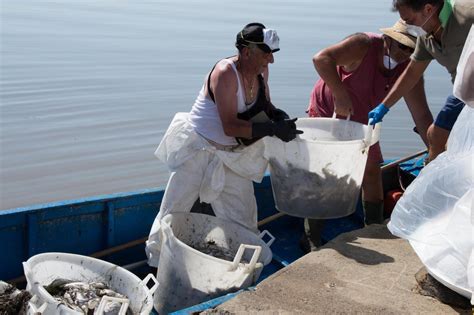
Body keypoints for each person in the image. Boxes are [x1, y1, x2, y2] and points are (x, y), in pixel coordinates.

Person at [145, 23, 302, 267]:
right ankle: (157, 264)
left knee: (244, 217)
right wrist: (271, 129)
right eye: (266, 53)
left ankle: (241, 265)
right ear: (247, 51)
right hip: (198, 151)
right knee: (173, 212)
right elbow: (230, 125)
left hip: (232, 155)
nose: (270, 60)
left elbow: (265, 105)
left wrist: (278, 117)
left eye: (273, 54)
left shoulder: (260, 71)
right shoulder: (225, 73)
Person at [303, 20, 432, 251]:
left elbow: (421, 116)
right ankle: (311, 237)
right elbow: (321, 59)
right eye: (403, 46)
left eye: (413, 49)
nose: (407, 54)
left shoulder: (410, 70)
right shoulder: (363, 44)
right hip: (330, 110)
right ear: (389, 39)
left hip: (364, 119)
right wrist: (339, 93)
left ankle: (373, 227)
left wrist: (437, 151)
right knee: (328, 173)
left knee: (371, 171)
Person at [369, 0, 474, 163]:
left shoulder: (467, 13)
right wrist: (384, 106)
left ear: (428, 9)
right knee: (435, 135)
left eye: (410, 21)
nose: (408, 26)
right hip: (464, 91)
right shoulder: (425, 35)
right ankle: (432, 182)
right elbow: (412, 73)